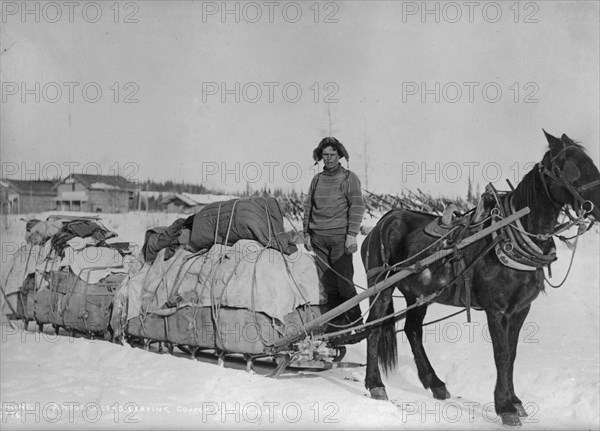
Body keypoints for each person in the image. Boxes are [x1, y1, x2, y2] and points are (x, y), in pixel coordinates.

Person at [303, 137, 365, 329]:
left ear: (340, 155)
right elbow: (308, 207)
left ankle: (356, 321)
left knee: (344, 282)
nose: (329, 158)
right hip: (318, 239)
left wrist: (351, 235)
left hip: (340, 238)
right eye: (325, 155)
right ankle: (338, 324)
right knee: (328, 284)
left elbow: (357, 205)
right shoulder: (317, 180)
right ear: (320, 157)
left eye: (332, 154)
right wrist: (306, 233)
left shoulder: (348, 178)